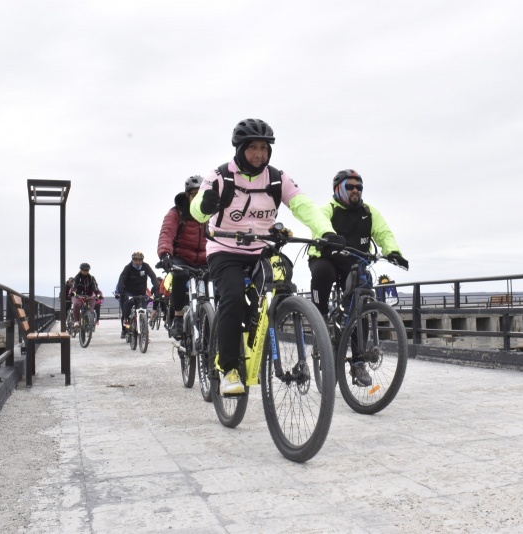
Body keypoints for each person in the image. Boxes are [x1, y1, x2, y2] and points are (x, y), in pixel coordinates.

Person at [189, 118, 342, 395]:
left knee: (283, 279)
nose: (259, 154)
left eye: (264, 148)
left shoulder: (276, 178)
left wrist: (325, 230)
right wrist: (205, 205)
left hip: (262, 248)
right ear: (239, 149)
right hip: (225, 250)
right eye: (253, 148)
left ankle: (261, 322)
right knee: (233, 297)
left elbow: (302, 204)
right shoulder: (220, 176)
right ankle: (229, 368)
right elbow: (198, 211)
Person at [308, 169, 409, 387]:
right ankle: (321, 321)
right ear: (338, 189)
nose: (356, 190)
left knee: (362, 301)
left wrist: (394, 252)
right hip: (327, 257)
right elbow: (318, 224)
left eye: (359, 187)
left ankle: (358, 362)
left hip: (355, 261)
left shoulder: (368, 212)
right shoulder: (328, 210)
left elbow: (383, 233)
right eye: (350, 186)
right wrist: (327, 237)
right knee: (322, 273)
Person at [157, 176, 208, 338]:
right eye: (194, 195)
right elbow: (167, 233)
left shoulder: (212, 212)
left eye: (201, 195)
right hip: (182, 258)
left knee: (219, 277)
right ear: (187, 195)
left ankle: (214, 316)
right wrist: (165, 254)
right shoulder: (177, 212)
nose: (197, 199)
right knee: (180, 274)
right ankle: (178, 316)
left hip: (206, 259)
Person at [116, 252, 158, 338]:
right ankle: (124, 328)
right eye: (135, 260)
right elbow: (122, 278)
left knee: (143, 311)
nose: (137, 262)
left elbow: (153, 277)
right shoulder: (128, 268)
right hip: (129, 292)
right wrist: (121, 292)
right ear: (132, 260)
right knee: (126, 310)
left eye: (139, 260)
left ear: (142, 260)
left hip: (141, 293)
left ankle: (145, 334)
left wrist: (156, 288)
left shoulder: (146, 267)